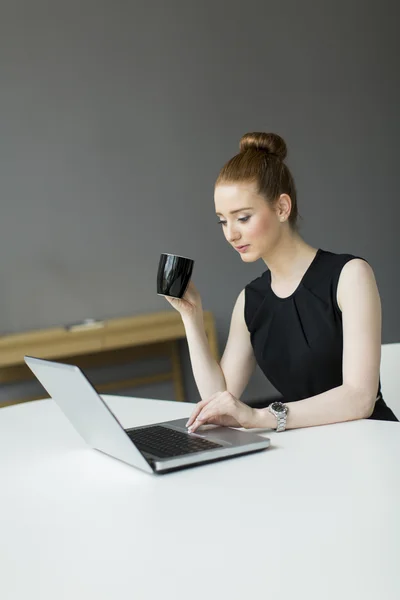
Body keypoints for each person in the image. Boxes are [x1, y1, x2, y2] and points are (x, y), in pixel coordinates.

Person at [164, 132, 398, 434]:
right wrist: (191, 317)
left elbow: (360, 398)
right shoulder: (251, 300)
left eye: (243, 218)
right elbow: (219, 401)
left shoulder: (350, 275)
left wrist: (262, 417)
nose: (230, 234)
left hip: (372, 443)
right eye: (223, 220)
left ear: (282, 208)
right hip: (302, 450)